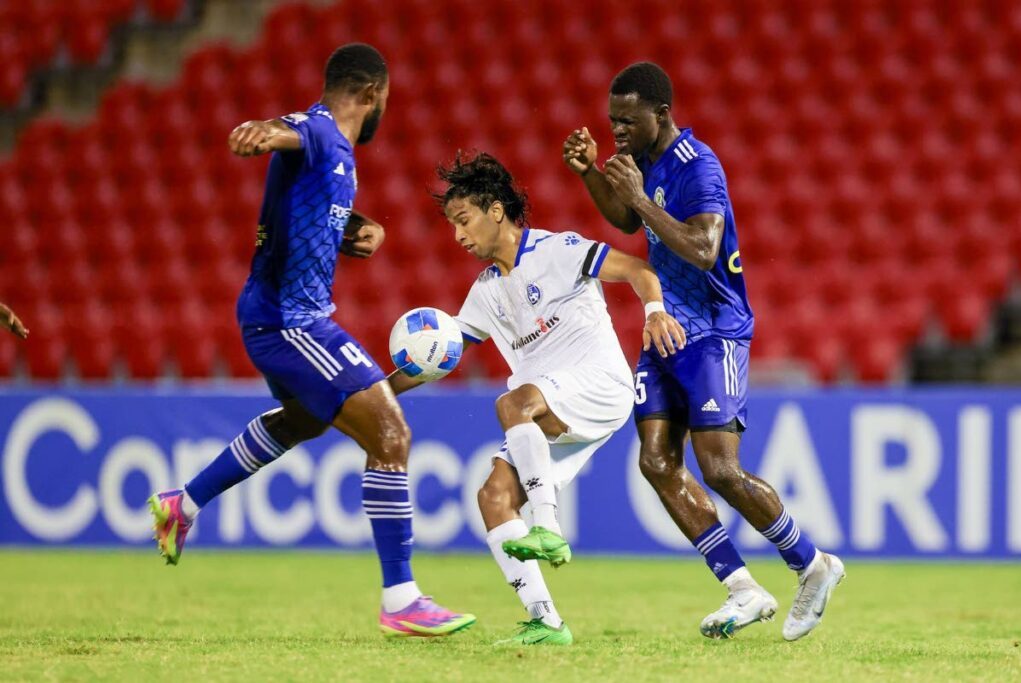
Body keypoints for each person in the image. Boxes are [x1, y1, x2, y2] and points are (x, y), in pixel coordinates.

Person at [147, 43, 474, 639]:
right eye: (386, 101)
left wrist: (356, 225)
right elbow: (290, 129)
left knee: (300, 422)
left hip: (275, 314)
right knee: (392, 433)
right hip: (291, 321)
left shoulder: (336, 156)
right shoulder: (322, 130)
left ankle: (182, 504)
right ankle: (401, 598)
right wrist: (261, 131)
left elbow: (307, 202)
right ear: (373, 94)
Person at [563, 61, 844, 641]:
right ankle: (742, 589)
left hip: (715, 329)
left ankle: (813, 565)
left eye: (627, 121)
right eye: (611, 121)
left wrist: (640, 200)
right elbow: (623, 217)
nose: (617, 130)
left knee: (718, 467)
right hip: (667, 326)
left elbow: (703, 248)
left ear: (661, 114)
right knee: (656, 462)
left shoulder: (699, 166)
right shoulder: (641, 160)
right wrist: (592, 172)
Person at [389, 151, 686, 646]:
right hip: (550, 410)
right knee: (493, 497)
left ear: (496, 210)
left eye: (463, 221)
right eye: (452, 226)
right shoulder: (484, 292)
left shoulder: (558, 250)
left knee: (511, 404)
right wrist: (373, 392)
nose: (458, 236)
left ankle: (546, 525)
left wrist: (654, 312)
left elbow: (638, 268)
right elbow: (438, 359)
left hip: (600, 385)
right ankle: (546, 621)